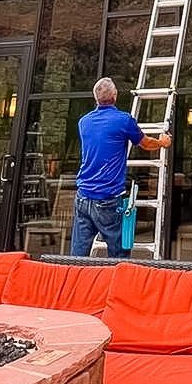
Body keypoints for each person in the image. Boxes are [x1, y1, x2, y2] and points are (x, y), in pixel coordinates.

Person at [72, 77, 171, 258]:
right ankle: (117, 286)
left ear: (96, 98)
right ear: (115, 96)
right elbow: (146, 144)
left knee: (78, 255)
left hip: (83, 197)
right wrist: (162, 142)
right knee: (119, 255)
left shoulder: (83, 122)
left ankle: (74, 284)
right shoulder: (123, 121)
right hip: (107, 198)